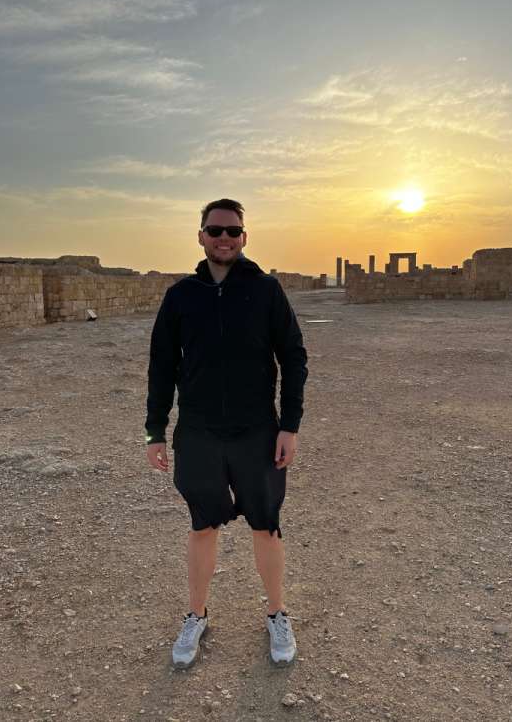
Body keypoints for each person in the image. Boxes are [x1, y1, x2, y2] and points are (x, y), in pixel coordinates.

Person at [144, 198, 309, 669]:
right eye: (215, 230)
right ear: (200, 235)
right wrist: (156, 430)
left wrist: (289, 426)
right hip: (197, 432)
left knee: (266, 523)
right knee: (202, 524)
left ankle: (277, 612)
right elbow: (161, 366)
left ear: (244, 237)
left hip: (256, 431)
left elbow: (293, 358)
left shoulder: (266, 290)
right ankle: (195, 614)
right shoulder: (181, 296)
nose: (224, 238)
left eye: (233, 231)